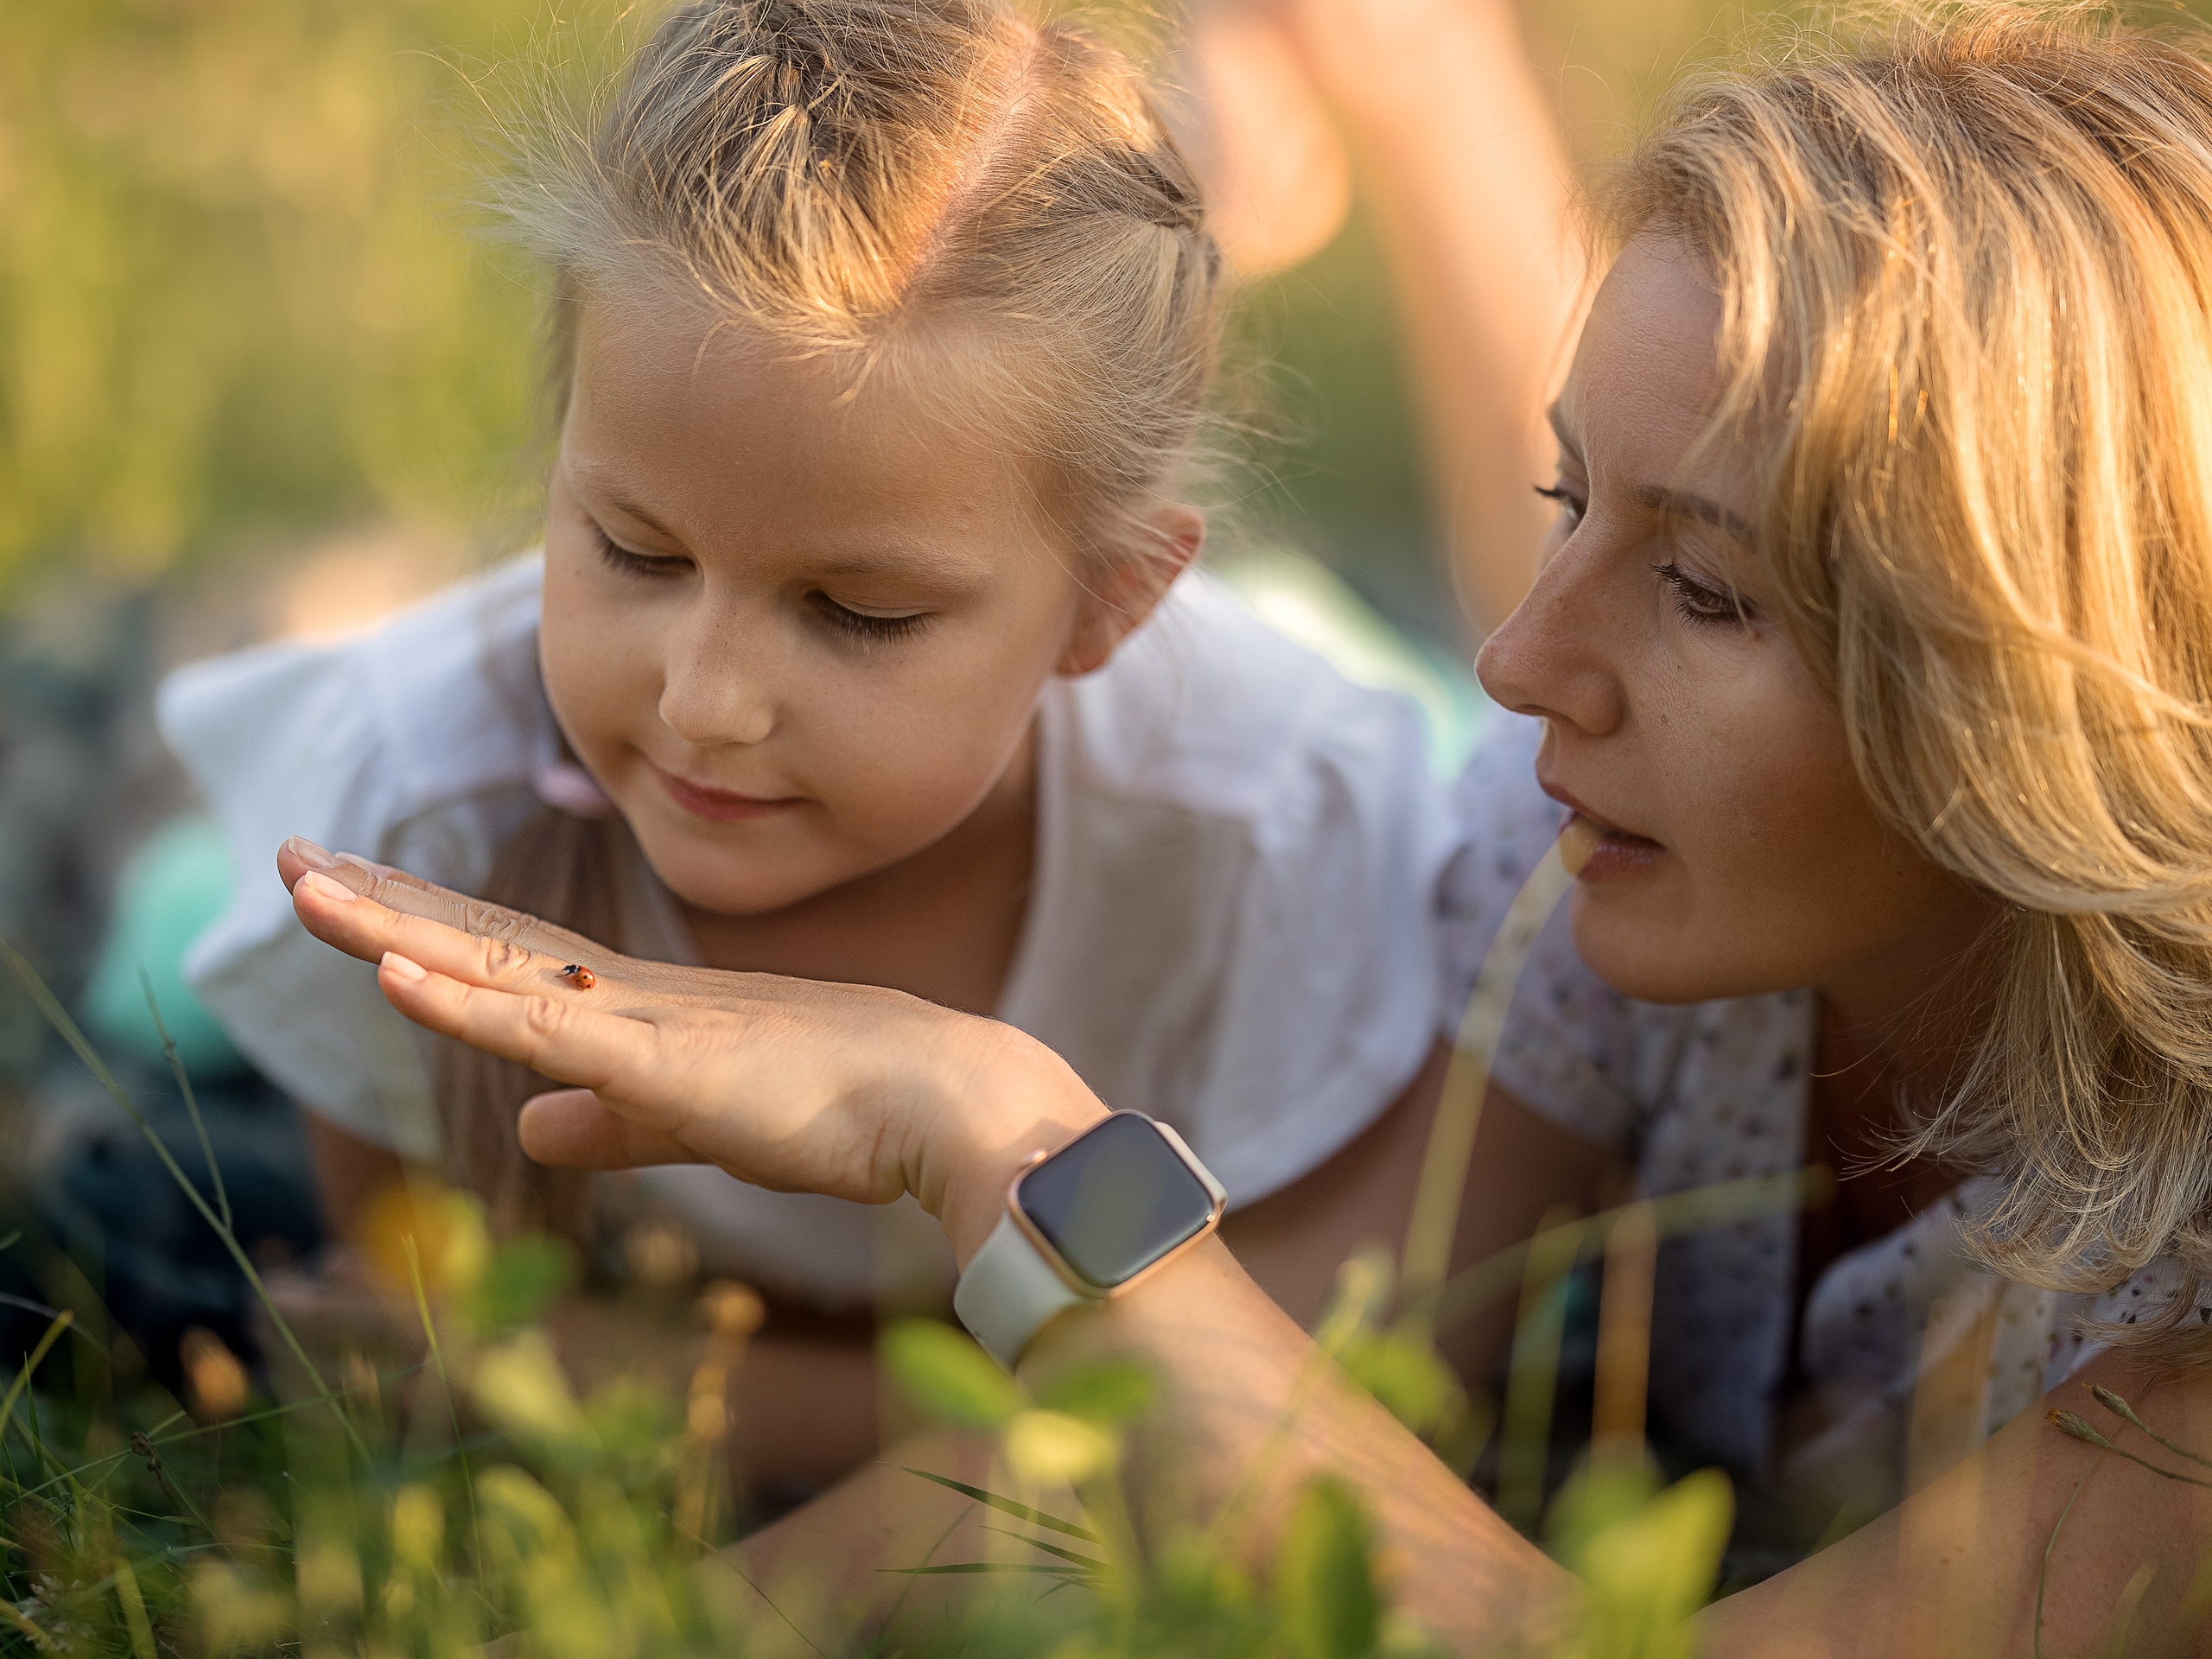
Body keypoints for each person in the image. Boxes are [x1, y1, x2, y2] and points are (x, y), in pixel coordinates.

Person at [275, 4, 2212, 1650]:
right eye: (1563, 506)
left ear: (2047, 680)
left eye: (1702, 591)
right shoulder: (1598, 907)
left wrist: (1006, 1136)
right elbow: (1224, 1429)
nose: (1520, 662)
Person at [156, 0, 1579, 1486]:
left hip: (1334, 681)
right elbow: (424, 1324)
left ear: (1108, 604)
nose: (705, 701)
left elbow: (1280, 1400)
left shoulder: (1270, 853)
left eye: (858, 612)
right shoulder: (416, 804)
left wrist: (672, 1385)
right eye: (636, 550)